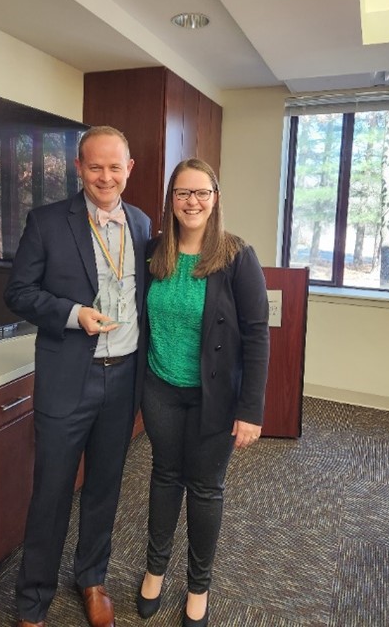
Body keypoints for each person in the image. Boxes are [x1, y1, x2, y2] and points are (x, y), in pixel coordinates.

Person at [4, 126, 151, 627]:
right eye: (95, 167)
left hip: (124, 376)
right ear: (79, 169)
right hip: (70, 377)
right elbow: (19, 293)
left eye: (115, 167)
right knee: (51, 493)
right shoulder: (46, 222)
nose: (105, 176)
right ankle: (32, 602)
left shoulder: (143, 223)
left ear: (129, 169)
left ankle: (91, 577)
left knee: (105, 487)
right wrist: (73, 314)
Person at [136, 158, 270, 627]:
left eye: (201, 193)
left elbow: (257, 335)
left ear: (215, 198)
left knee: (206, 489)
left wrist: (251, 410)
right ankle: (155, 569)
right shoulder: (155, 251)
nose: (192, 202)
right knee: (164, 476)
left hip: (214, 398)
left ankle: (198, 586)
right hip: (160, 388)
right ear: (171, 200)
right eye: (182, 193)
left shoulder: (236, 256)